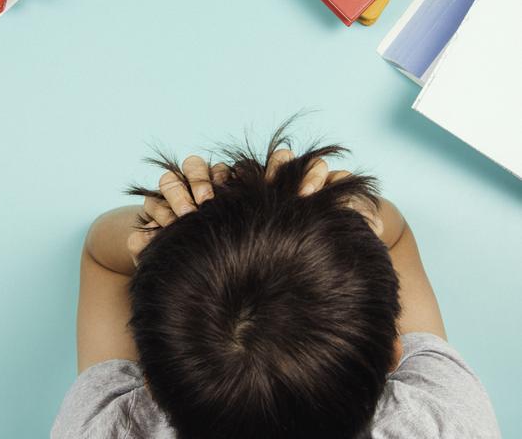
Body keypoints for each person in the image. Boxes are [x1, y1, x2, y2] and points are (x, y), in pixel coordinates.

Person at [51, 124, 500, 438]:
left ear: (147, 381)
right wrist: (356, 215)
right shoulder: (447, 421)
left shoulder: (104, 429)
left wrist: (161, 229)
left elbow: (102, 257)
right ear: (395, 356)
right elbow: (395, 235)